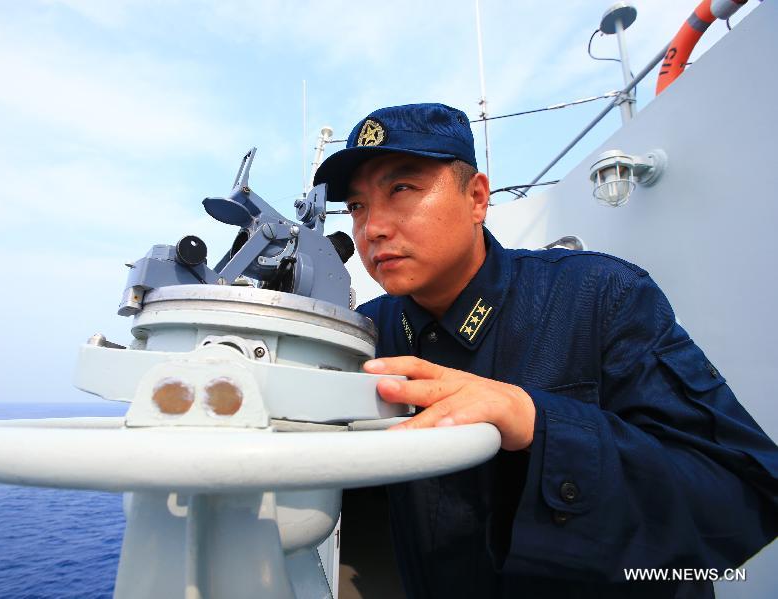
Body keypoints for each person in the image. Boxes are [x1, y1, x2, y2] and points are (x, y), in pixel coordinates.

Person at [313, 103, 778, 598]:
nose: (372, 228)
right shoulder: (368, 331)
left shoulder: (602, 296)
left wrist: (538, 422)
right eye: (358, 207)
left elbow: (744, 495)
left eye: (401, 190)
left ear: (476, 197)